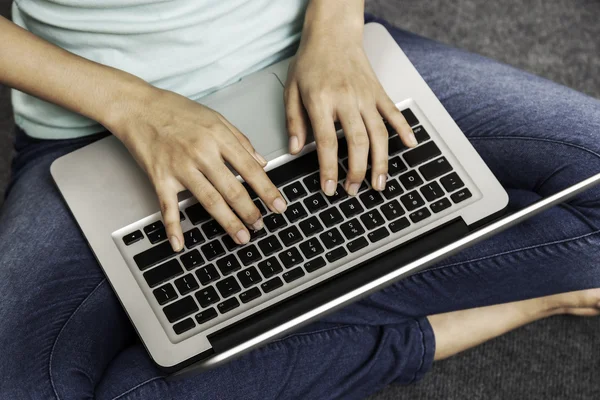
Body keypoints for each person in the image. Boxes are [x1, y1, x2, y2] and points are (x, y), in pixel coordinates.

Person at [0, 0, 599, 398]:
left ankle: (260, 325)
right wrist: (132, 107)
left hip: (311, 52)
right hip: (91, 120)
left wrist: (336, 31)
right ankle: (486, 310)